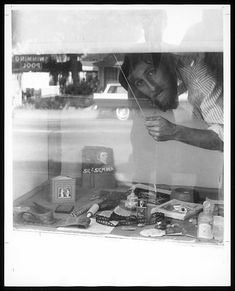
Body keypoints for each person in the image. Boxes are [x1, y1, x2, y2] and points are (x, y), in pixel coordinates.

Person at [119, 53, 223, 151]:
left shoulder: (199, 81)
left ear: (166, 62)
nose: (152, 87)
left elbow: (226, 136)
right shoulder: (175, 79)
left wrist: (174, 131)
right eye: (140, 82)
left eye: (151, 72)